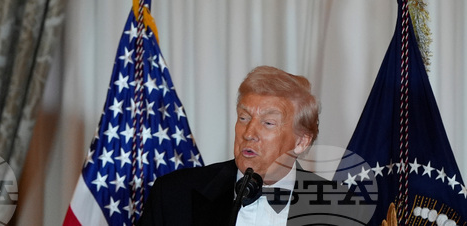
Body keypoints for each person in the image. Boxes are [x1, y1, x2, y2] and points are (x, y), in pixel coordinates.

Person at [139, 65, 338, 225]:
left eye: (268, 123)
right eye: (244, 118)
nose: (249, 134)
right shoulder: (174, 194)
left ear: (301, 141)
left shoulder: (339, 209)